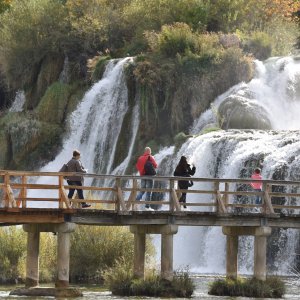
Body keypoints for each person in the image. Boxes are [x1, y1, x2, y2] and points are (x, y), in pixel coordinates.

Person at [135, 147, 158, 211]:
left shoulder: (140, 158)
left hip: (142, 176)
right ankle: (147, 207)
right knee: (149, 191)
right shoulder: (150, 157)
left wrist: (142, 171)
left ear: (144, 151)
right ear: (149, 151)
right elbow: (156, 165)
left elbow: (137, 166)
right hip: (149, 176)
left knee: (142, 190)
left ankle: (136, 201)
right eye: (150, 151)